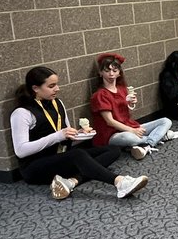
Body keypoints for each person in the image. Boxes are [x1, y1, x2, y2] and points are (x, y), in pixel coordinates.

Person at [10, 66, 148, 200]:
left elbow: (66, 133)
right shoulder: (22, 113)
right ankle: (120, 182)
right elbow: (21, 151)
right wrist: (57, 136)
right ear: (35, 88)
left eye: (56, 84)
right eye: (51, 86)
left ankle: (71, 182)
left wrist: (80, 134)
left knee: (113, 150)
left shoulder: (57, 103)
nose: (57, 89)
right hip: (35, 167)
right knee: (78, 154)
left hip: (61, 157)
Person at [89, 52, 174, 159]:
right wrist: (132, 130)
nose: (111, 74)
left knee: (166, 121)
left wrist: (130, 104)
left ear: (119, 73)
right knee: (128, 137)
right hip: (112, 134)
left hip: (129, 125)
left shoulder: (122, 89)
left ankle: (146, 145)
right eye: (107, 71)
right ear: (100, 73)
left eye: (114, 71)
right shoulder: (100, 95)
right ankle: (159, 137)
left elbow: (125, 113)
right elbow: (110, 121)